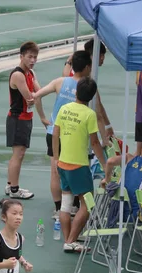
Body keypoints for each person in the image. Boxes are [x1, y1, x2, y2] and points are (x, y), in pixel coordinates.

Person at [34, 50, 92, 217]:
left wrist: (43, 118)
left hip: (54, 132)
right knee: (74, 168)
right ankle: (73, 205)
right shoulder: (87, 86)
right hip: (73, 135)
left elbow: (36, 96)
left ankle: (59, 208)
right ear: (87, 67)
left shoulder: (60, 82)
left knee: (55, 170)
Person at [52, 77, 106, 252]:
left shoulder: (64, 109)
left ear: (76, 92)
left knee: (66, 205)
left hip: (62, 163)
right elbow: (95, 143)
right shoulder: (89, 114)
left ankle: (68, 240)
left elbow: (55, 134)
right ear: (91, 98)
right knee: (87, 204)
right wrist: (105, 166)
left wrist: (55, 158)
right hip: (79, 166)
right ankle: (71, 239)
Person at [5, 41, 41, 200]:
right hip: (17, 119)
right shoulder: (18, 75)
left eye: (35, 57)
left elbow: (38, 92)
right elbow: (30, 98)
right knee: (18, 154)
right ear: (21, 56)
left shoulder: (30, 74)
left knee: (19, 154)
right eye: (30, 57)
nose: (33, 60)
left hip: (26, 118)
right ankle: (14, 189)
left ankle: (10, 184)